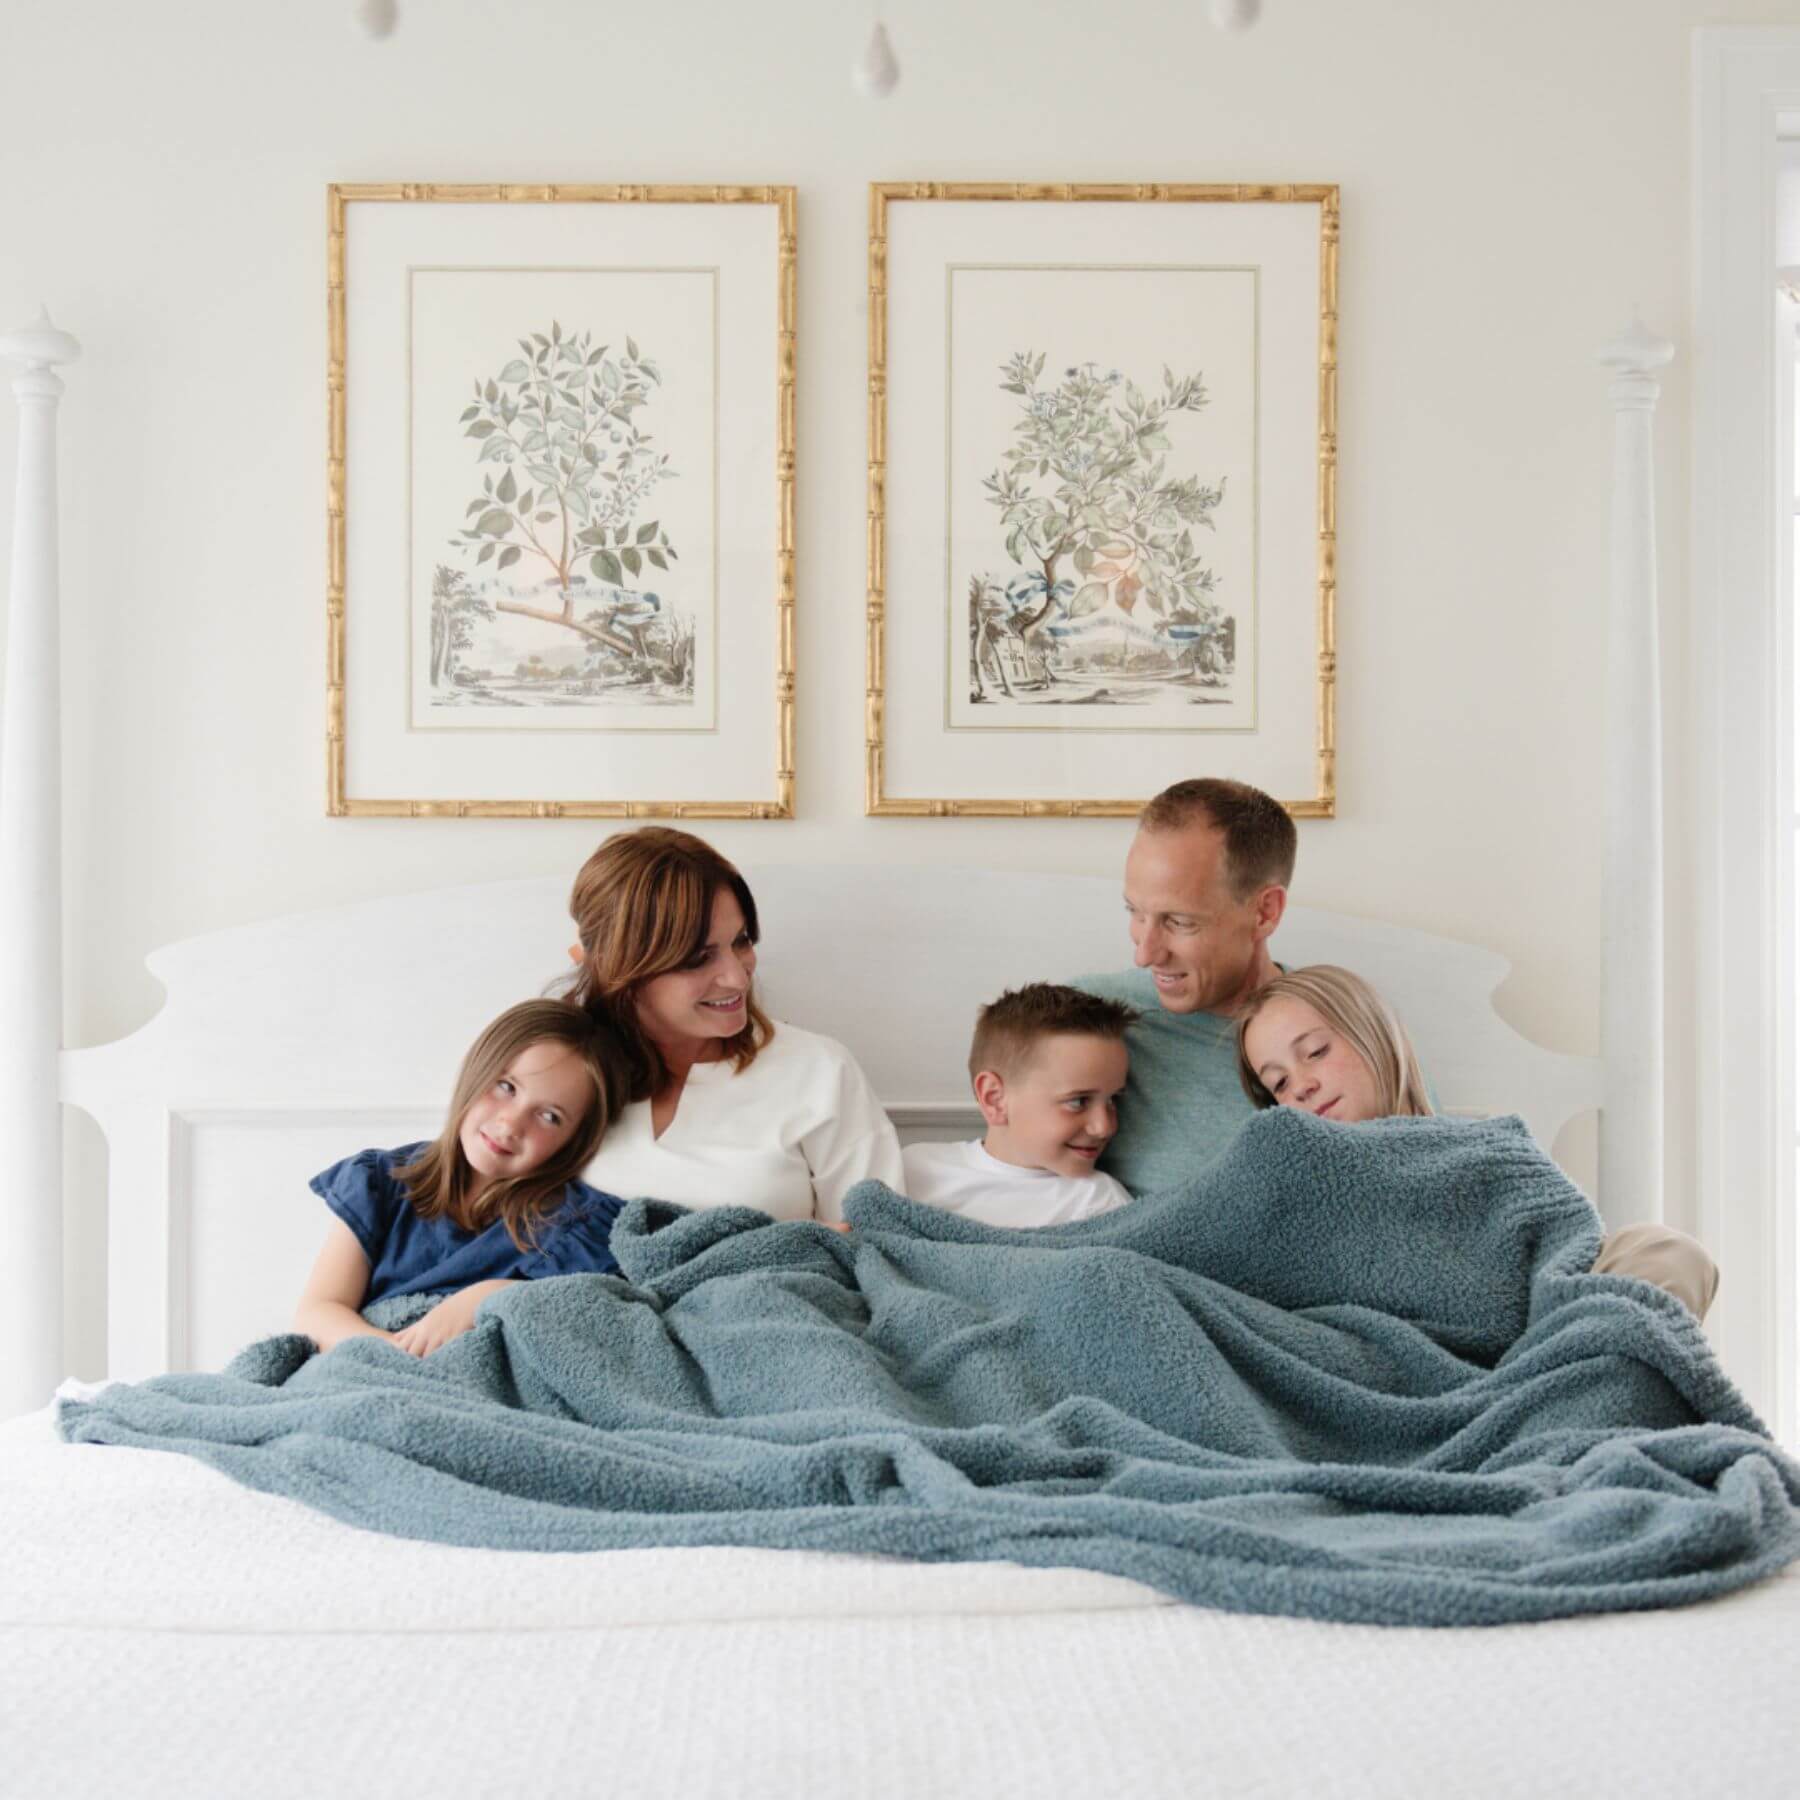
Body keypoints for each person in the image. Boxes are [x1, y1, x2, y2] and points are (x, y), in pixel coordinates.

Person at [1076, 777, 1720, 1310]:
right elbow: (1018, 1170)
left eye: (1178, 922)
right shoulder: (1091, 1027)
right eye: (1134, 911)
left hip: (1410, 1298)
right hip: (1250, 1318)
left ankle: (1559, 1403)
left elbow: (1444, 1199)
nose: (1144, 948)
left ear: (1265, 912)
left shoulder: (1344, 1031)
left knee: (1666, 1256)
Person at [1235, 964, 1720, 1320]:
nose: (1300, 1085)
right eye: (1278, 1084)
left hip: (1527, 1349)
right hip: (1384, 1369)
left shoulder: (1486, 1147)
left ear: (1374, 1035)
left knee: (1664, 1250)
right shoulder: (1284, 1183)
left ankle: (1571, 1403)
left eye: (1316, 1052)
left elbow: (1563, 1248)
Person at [566, 826, 904, 1222]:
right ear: (617, 967)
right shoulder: (559, 1070)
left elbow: (882, 1243)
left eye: (741, 941)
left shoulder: (820, 1071)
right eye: (698, 958)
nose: (738, 978)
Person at [293, 999, 626, 1357]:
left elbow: (598, 1315)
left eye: (549, 1116)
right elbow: (318, 1312)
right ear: (477, 1069)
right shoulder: (383, 1182)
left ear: (573, 1140)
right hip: (368, 1369)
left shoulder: (570, 1228)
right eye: (507, 1087)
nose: (510, 1124)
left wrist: (492, 1296)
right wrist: (396, 1357)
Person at [903, 983, 1136, 1227]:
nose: (1104, 1127)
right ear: (995, 1099)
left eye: (1113, 1099)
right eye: (1078, 1101)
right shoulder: (915, 1169)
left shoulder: (1101, 1204)